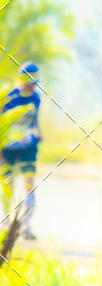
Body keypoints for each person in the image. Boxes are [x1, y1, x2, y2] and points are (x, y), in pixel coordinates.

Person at [1, 61, 42, 240]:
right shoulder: (9, 97)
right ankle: (7, 223)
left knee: (29, 185)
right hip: (8, 148)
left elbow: (34, 121)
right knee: (8, 185)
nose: (32, 87)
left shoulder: (36, 98)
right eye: (30, 82)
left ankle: (26, 226)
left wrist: (39, 133)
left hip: (28, 146)